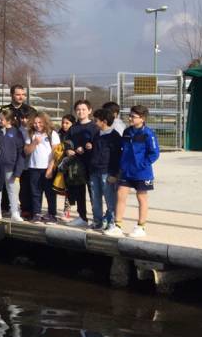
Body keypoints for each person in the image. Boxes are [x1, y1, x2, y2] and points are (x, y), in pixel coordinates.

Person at [106, 105, 160, 238]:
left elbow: (154, 153)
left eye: (133, 116)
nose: (130, 118)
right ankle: (117, 225)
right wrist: (121, 167)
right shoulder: (127, 131)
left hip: (142, 172)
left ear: (142, 118)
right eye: (129, 115)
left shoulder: (148, 133)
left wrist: (141, 164)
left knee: (141, 198)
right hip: (126, 171)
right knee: (120, 195)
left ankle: (141, 227)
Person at [84, 107, 120, 231]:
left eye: (96, 120)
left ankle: (111, 221)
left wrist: (114, 174)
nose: (94, 123)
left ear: (104, 121)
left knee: (110, 198)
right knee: (95, 197)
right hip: (94, 171)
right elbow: (93, 148)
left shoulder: (114, 136)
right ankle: (97, 221)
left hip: (107, 172)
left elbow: (116, 157)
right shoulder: (96, 134)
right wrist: (89, 146)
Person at [65, 99, 99, 228]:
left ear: (90, 111)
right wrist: (69, 149)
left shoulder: (95, 127)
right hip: (76, 166)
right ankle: (82, 217)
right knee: (79, 192)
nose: (81, 112)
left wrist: (91, 146)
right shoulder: (73, 128)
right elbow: (67, 141)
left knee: (93, 193)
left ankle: (97, 218)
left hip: (91, 165)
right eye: (78, 109)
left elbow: (99, 143)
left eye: (83, 109)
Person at [23, 112, 60, 222]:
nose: (37, 125)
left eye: (40, 122)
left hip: (47, 168)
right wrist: (34, 143)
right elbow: (26, 151)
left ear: (45, 122)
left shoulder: (52, 134)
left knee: (50, 193)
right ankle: (37, 213)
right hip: (34, 167)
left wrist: (50, 168)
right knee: (35, 192)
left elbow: (55, 152)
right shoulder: (30, 134)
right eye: (35, 123)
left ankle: (52, 214)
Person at [0, 109, 25, 223]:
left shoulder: (16, 133)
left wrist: (18, 170)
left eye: (2, 119)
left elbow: (21, 153)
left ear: (9, 120)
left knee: (13, 190)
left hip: (11, 168)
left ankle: (15, 212)